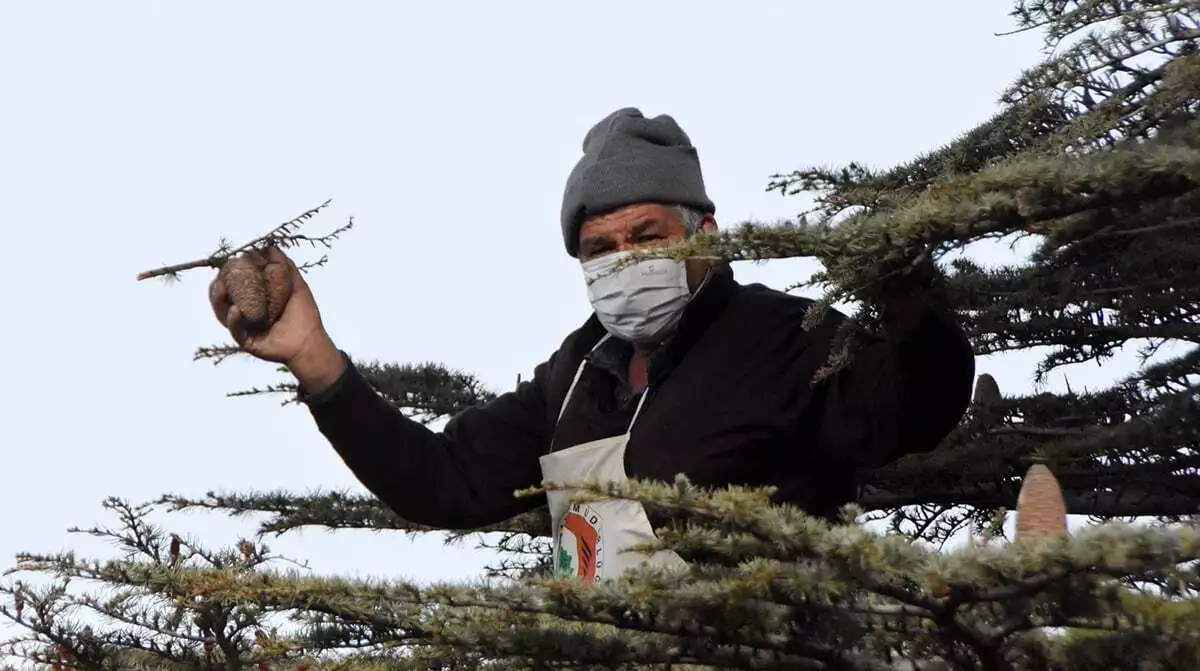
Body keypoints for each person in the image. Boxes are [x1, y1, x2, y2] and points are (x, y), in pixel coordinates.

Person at [209, 107, 976, 583]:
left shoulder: (783, 337)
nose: (624, 260)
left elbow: (912, 407)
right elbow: (440, 481)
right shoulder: (576, 375)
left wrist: (908, 290)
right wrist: (313, 356)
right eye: (600, 247)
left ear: (704, 232)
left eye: (647, 235)